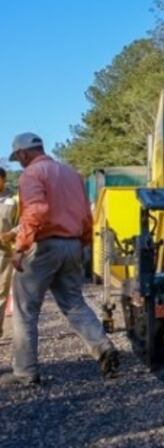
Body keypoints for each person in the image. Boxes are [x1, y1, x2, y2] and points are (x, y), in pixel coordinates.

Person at [1, 133, 119, 387]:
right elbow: (86, 216)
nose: (19, 162)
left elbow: (37, 211)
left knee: (25, 310)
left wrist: (21, 247)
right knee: (75, 303)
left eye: (18, 157)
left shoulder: (31, 174)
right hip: (73, 243)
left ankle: (25, 373)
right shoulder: (71, 174)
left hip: (44, 246)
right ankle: (103, 347)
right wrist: (84, 243)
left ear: (23, 154)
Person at [0, 167, 17, 338]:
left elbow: (22, 223)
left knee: (1, 293)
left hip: (3, 254)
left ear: (3, 180)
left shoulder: (12, 202)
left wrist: (11, 233)